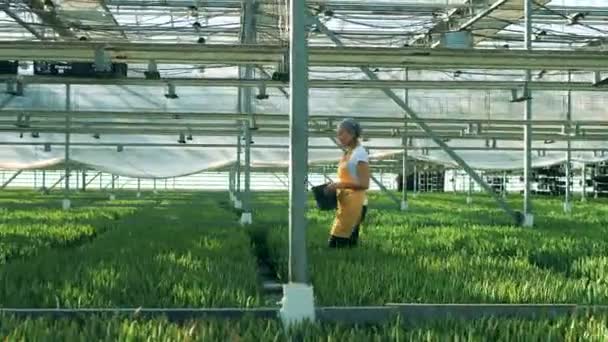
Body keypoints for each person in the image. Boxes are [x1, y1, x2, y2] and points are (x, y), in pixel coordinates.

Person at [325, 118, 370, 248]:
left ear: (352, 134)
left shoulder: (360, 153)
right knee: (339, 244)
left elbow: (364, 183)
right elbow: (349, 177)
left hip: (356, 204)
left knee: (340, 244)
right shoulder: (348, 153)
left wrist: (339, 185)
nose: (339, 137)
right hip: (345, 203)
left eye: (341, 133)